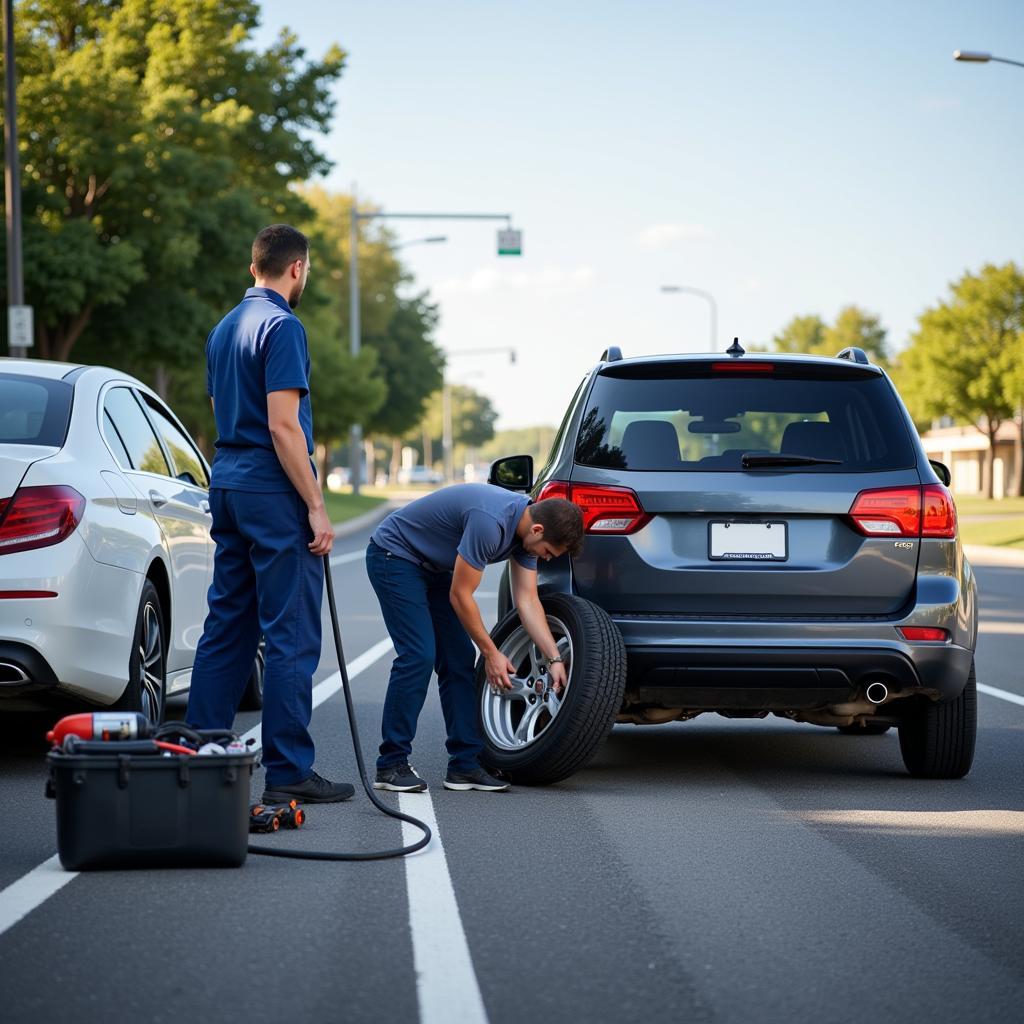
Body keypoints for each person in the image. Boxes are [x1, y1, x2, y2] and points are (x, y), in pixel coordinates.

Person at [187, 224, 353, 804]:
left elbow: (220, 408)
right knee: (290, 633)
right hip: (270, 489)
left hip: (227, 481)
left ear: (252, 264)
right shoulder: (283, 327)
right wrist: (316, 505)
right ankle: (288, 772)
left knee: (228, 623)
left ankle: (200, 755)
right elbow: (284, 427)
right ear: (297, 269)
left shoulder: (223, 329)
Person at [366, 483, 584, 792]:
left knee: (458, 659)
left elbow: (527, 601)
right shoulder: (490, 521)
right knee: (418, 654)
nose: (546, 559)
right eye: (548, 553)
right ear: (537, 530)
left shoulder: (527, 536)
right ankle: (390, 764)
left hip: (435, 569)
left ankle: (464, 765)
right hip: (395, 555)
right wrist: (492, 653)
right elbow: (460, 595)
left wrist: (554, 658)